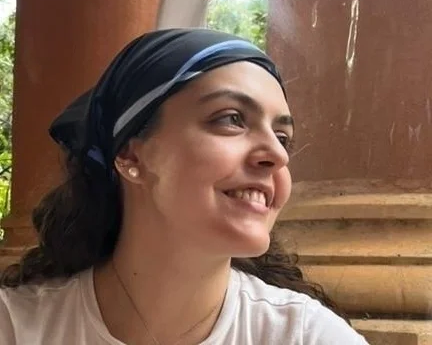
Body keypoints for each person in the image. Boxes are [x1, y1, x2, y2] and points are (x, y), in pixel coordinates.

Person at [0, 29, 369, 345]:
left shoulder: (306, 337)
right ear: (130, 154)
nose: (277, 154)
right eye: (232, 119)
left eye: (283, 137)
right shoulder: (15, 328)